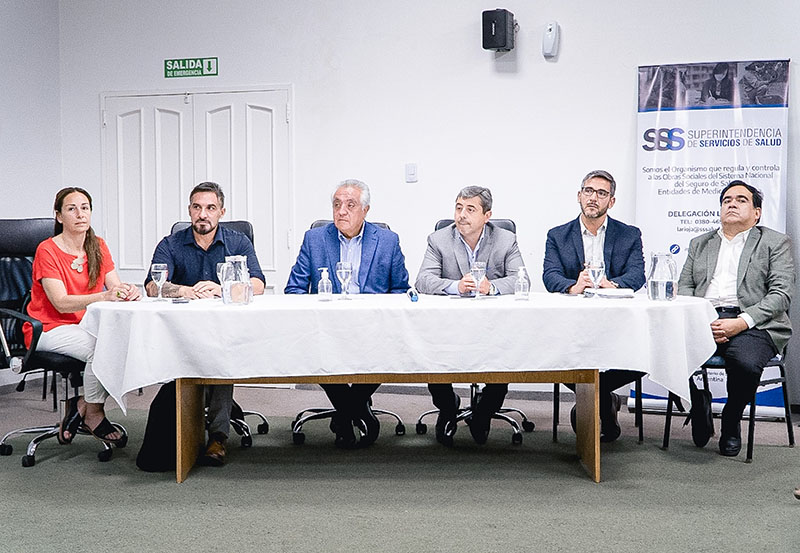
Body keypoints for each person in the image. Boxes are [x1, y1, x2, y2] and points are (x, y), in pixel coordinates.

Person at [145, 181, 265, 466]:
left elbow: (258, 284)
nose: (203, 214)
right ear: (189, 211)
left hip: (227, 330)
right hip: (182, 333)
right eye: (197, 207)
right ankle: (186, 431)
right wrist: (183, 290)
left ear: (221, 211)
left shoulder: (237, 242)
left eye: (210, 208)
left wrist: (222, 287)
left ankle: (218, 437)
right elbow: (152, 286)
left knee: (220, 358)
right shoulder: (171, 243)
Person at [285, 179, 410, 448]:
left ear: (365, 210)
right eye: (337, 204)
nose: (341, 211)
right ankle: (357, 411)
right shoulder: (315, 239)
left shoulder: (387, 241)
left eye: (350, 205)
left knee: (390, 350)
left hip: (373, 327)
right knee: (317, 353)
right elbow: (294, 289)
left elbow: (401, 290)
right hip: (325, 327)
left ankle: (345, 414)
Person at [678, 180, 793, 456]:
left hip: (755, 323)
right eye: (727, 199)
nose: (731, 203)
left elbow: (781, 295)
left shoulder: (775, 242)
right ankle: (699, 401)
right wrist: (702, 318)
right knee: (661, 350)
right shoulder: (700, 243)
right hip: (704, 318)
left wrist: (741, 322)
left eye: (741, 200)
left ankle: (731, 418)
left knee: (744, 362)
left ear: (757, 213)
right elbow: (684, 287)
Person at [26, 187, 142, 446]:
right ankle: (94, 412)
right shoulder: (47, 250)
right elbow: (61, 302)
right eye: (71, 209)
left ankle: (80, 404)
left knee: (125, 342)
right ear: (59, 216)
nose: (80, 214)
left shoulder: (98, 245)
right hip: (46, 328)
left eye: (85, 208)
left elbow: (115, 287)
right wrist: (105, 296)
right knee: (101, 348)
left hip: (85, 325)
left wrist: (126, 292)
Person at [415, 186, 527, 446]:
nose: (461, 215)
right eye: (458, 208)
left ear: (487, 216)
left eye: (470, 209)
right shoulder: (439, 239)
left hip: (493, 327)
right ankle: (448, 407)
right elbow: (423, 280)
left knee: (505, 358)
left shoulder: (505, 239)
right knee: (431, 355)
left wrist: (493, 287)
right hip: (448, 327)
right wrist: (455, 286)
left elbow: (522, 280)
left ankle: (484, 413)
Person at [542, 170, 645, 442]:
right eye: (588, 191)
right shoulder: (558, 235)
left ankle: (592, 398)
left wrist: (611, 284)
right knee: (546, 354)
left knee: (645, 353)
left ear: (611, 202)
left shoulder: (629, 234)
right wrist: (573, 286)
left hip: (616, 322)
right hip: (571, 323)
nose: (593, 198)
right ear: (579, 196)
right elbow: (550, 276)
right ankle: (604, 402)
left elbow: (637, 275)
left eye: (601, 193)